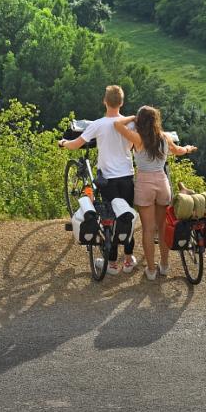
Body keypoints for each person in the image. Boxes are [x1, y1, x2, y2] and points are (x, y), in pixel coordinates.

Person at [59, 85, 137, 275]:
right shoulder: (131, 124)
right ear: (122, 102)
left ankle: (111, 264)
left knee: (109, 218)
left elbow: (76, 144)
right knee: (126, 217)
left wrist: (63, 143)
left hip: (108, 180)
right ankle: (128, 260)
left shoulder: (98, 124)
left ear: (104, 101)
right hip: (127, 176)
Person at [115, 107, 196, 281]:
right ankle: (165, 266)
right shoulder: (164, 137)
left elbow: (117, 124)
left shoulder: (138, 139)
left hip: (144, 184)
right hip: (162, 182)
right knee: (163, 227)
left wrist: (132, 118)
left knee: (148, 230)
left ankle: (151, 270)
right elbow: (179, 151)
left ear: (140, 121)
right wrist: (188, 148)